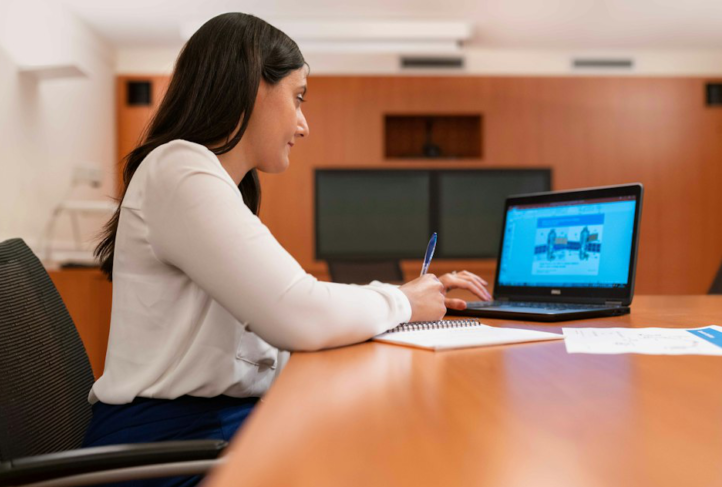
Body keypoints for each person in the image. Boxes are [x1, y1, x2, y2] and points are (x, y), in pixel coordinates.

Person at [85, 12, 491, 486]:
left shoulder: (202, 181)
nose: (303, 125)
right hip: (164, 451)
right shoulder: (179, 168)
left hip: (204, 432)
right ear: (252, 86)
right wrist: (402, 301)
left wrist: (404, 299)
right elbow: (295, 310)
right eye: (297, 98)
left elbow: (292, 305)